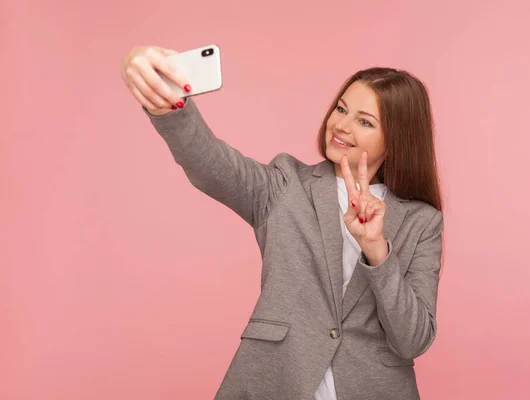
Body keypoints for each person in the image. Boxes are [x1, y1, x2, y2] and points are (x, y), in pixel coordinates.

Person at [120, 45, 445, 400]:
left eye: (364, 121)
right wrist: (167, 105)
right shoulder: (286, 184)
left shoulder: (422, 222)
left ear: (396, 140)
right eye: (341, 109)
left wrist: (377, 251)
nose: (341, 125)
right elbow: (210, 163)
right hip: (274, 382)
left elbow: (413, 339)